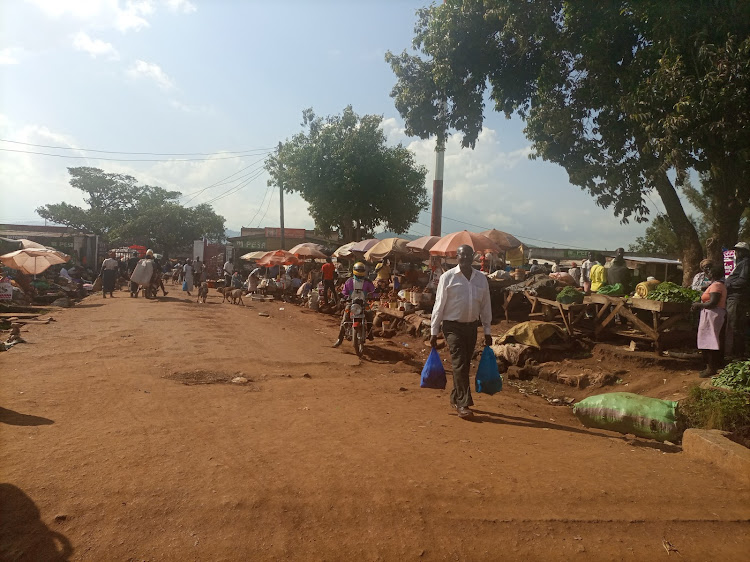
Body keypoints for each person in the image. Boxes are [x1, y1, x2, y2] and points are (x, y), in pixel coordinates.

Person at [430, 244, 493, 420]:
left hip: (471, 327)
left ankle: (455, 396)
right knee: (459, 362)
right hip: (452, 327)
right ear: (456, 257)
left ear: (473, 257)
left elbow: (485, 305)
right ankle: (463, 403)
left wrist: (487, 330)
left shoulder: (481, 279)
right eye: (461, 255)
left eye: (467, 255)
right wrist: (434, 331)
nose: (464, 258)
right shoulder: (447, 277)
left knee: (464, 364)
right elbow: (439, 304)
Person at [692, 265, 727, 377]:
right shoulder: (717, 285)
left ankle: (711, 368)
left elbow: (712, 303)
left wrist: (698, 305)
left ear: (713, 274)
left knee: (710, 341)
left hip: (712, 314)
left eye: (709, 272)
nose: (707, 274)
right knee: (709, 340)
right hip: (712, 314)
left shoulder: (716, 285)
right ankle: (711, 367)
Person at [333, 262, 377, 347]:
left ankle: (370, 333)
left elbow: (373, 291)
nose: (360, 272)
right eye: (358, 270)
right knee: (345, 319)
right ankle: (339, 339)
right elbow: (344, 292)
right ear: (354, 270)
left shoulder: (367, 282)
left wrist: (375, 296)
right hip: (351, 302)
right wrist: (342, 297)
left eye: (361, 270)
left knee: (369, 315)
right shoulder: (349, 281)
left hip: (363, 303)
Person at [725, 241, 750, 358]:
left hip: (736, 297)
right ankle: (737, 352)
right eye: (736, 250)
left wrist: (728, 285)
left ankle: (736, 354)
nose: (736, 252)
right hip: (735, 297)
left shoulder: (746, 263)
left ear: (744, 252)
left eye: (739, 250)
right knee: (735, 325)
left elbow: (743, 281)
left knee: (733, 325)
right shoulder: (741, 263)